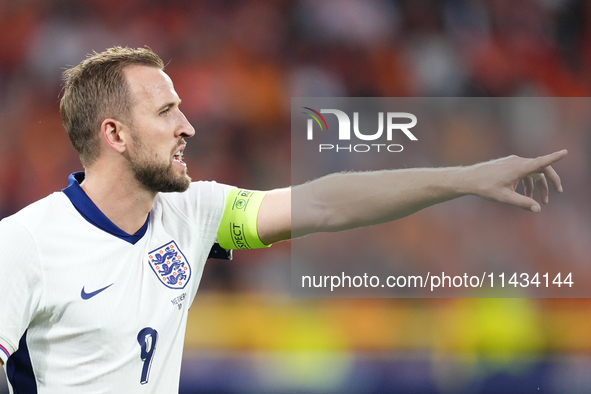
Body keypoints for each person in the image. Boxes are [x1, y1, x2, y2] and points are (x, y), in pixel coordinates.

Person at [0, 47, 566, 393]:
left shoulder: (194, 212)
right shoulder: (26, 243)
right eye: (166, 111)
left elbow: (324, 202)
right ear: (114, 134)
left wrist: (466, 179)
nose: (187, 126)